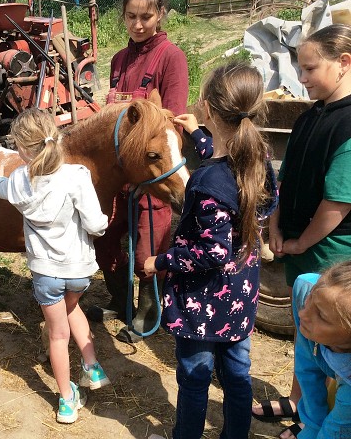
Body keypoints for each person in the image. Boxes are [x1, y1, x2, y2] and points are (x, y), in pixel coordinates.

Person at [144, 62, 278, 439]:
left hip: (203, 303)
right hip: (242, 295)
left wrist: (161, 260)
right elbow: (231, 167)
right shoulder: (259, 161)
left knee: (195, 377)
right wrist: (200, 136)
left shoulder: (205, 183)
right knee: (237, 377)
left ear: (206, 106)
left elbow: (213, 251)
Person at [251, 24, 351, 437]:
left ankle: (322, 423)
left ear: (344, 63)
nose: (302, 77)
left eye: (309, 68)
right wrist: (275, 224)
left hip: (330, 254)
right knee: (306, 331)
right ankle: (298, 403)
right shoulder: (311, 115)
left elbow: (337, 205)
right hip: (298, 247)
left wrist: (296, 242)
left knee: (333, 344)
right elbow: (285, 175)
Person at [0, 108, 110, 423]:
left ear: (23, 151)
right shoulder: (76, 176)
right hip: (79, 272)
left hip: (46, 275)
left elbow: (3, 188)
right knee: (73, 309)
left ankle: (67, 401)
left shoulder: (18, 182)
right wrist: (104, 221)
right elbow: (96, 225)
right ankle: (92, 366)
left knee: (57, 335)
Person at [86, 0, 189, 344]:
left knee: (149, 252)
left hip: (150, 176)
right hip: (117, 177)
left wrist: (146, 174)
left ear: (160, 14)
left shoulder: (171, 58)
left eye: (145, 16)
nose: (138, 24)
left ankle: (149, 314)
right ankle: (119, 300)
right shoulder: (118, 60)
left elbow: (171, 124)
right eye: (131, 16)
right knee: (105, 242)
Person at [289, 261, 351, 439]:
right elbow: (306, 366)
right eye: (311, 299)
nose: (303, 315)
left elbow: (336, 430)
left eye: (322, 316)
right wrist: (311, 426)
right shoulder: (308, 292)